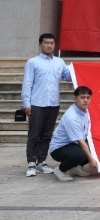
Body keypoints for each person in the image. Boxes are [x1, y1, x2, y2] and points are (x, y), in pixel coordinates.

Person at [22, 33, 72, 177]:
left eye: (51, 43)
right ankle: (31, 163)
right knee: (34, 135)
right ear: (40, 45)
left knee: (46, 135)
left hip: (53, 104)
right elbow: (27, 84)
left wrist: (76, 69)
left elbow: (68, 77)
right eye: (46, 43)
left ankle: (41, 162)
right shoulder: (33, 62)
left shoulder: (59, 62)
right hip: (37, 103)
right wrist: (27, 104)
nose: (49, 45)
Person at [47, 86, 98, 181]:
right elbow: (80, 141)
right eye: (82, 97)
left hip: (73, 144)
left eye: (88, 98)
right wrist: (91, 159)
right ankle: (60, 170)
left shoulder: (84, 111)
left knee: (95, 147)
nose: (86, 100)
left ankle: (75, 167)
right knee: (80, 154)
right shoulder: (71, 117)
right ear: (75, 99)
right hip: (60, 148)